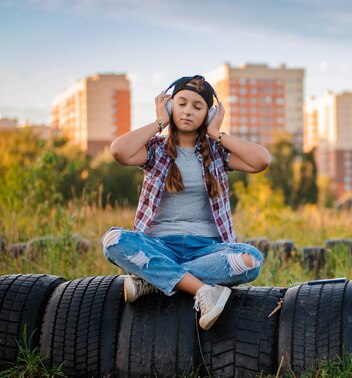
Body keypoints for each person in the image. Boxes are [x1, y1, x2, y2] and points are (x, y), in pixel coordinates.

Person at [101, 75, 271, 330]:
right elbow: (118, 151)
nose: (188, 111)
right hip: (159, 245)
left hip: (207, 249)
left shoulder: (218, 153)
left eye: (197, 107)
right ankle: (201, 289)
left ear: (209, 114)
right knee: (113, 241)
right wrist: (160, 121)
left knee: (250, 260)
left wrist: (217, 133)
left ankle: (153, 279)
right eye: (181, 103)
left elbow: (261, 161)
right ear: (170, 106)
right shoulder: (155, 149)